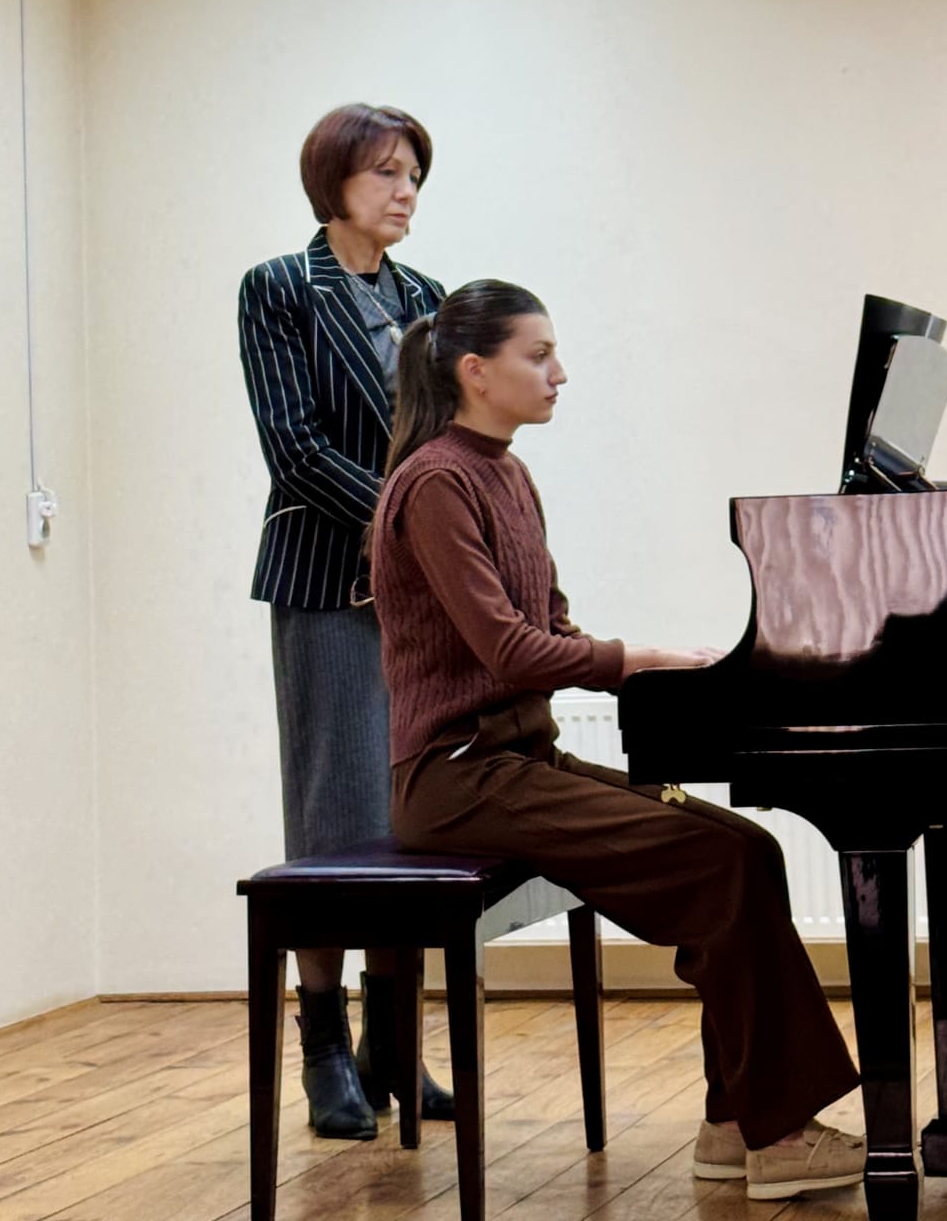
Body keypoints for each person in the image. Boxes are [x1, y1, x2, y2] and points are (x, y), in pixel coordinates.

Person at [369, 281, 868, 1198]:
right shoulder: (435, 483)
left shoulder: (507, 474)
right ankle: (778, 1135)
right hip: (458, 777)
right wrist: (643, 659)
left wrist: (665, 664)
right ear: (476, 371)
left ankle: (736, 1125)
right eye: (538, 355)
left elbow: (551, 627)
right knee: (718, 862)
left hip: (516, 760)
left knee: (748, 849)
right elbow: (511, 651)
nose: (559, 373)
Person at [238, 103, 454, 1140]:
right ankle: (323, 1045)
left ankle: (393, 1042)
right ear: (332, 183)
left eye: (414, 173)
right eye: (385, 173)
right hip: (329, 576)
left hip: (422, 589)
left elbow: (451, 443)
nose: (405, 190)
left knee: (410, 809)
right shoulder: (280, 286)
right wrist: (407, 523)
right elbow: (294, 446)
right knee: (333, 816)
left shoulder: (430, 300)